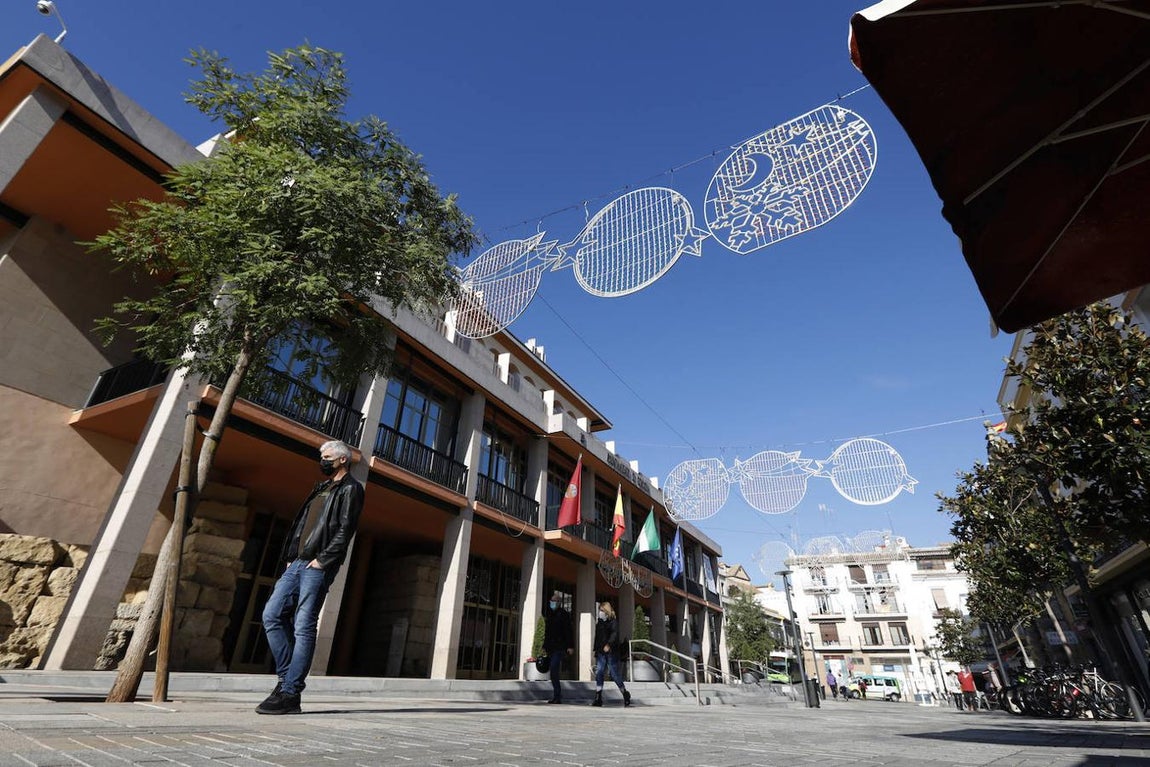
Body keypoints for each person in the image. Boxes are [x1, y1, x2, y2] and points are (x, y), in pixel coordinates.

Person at [256, 440, 364, 715]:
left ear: (342, 460)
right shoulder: (321, 488)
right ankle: (286, 680)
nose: (323, 460)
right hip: (298, 562)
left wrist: (322, 561)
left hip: (317, 565)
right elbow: (303, 525)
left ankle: (290, 692)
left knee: (303, 624)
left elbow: (345, 529)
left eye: (327, 457)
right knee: (271, 615)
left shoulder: (351, 488)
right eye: (321, 456)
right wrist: (293, 555)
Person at [592, 602, 631, 707]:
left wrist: (609, 644)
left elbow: (615, 634)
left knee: (614, 674)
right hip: (601, 652)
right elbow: (597, 637)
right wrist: (596, 649)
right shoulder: (599, 623)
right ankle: (598, 696)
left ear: (607, 611)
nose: (600, 613)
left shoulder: (613, 622)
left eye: (602, 610)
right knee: (599, 672)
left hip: (611, 652)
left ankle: (625, 693)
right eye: (599, 610)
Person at [542, 590, 574, 704]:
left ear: (559, 602)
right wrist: (544, 646)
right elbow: (547, 631)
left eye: (555, 601)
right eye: (551, 601)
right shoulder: (549, 614)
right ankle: (557, 694)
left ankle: (558, 695)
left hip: (560, 646)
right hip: (551, 646)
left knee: (554, 668)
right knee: (552, 672)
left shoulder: (564, 615)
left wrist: (570, 646)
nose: (552, 603)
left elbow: (568, 631)